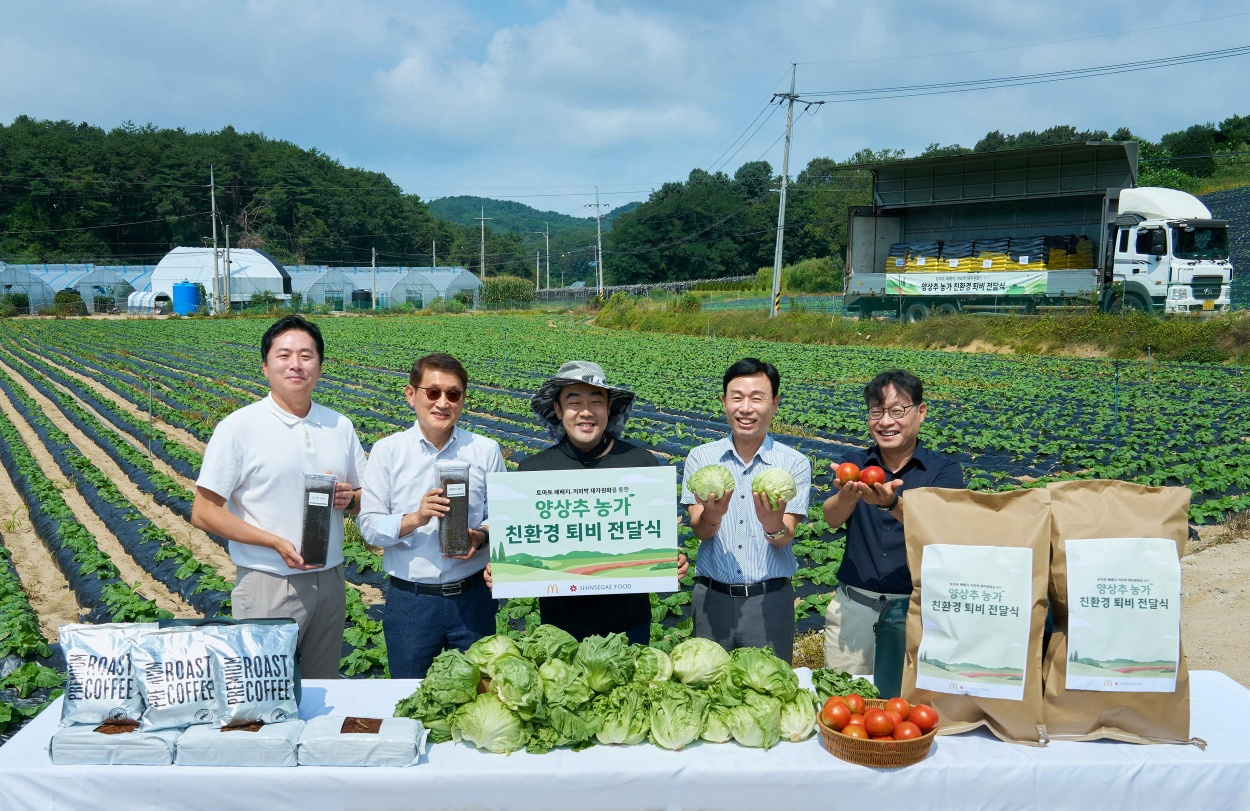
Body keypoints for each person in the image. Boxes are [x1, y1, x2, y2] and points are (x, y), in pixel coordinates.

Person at [191, 315, 366, 679]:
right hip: (268, 580)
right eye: (284, 355)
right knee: (264, 688)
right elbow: (204, 511)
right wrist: (273, 542)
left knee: (323, 686)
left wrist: (349, 499)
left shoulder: (339, 425)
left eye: (306, 355)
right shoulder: (240, 427)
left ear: (320, 367)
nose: (295, 364)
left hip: (331, 578)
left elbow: (365, 497)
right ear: (265, 367)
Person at [486, 360, 686, 644]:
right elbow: (522, 542)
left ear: (609, 409)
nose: (586, 412)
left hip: (630, 625)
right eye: (574, 402)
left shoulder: (641, 464)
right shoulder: (534, 471)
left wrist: (670, 562)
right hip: (559, 630)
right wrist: (504, 568)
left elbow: (652, 535)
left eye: (596, 402)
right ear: (558, 410)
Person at [357, 353, 504, 678]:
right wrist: (416, 518)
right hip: (412, 602)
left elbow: (503, 517)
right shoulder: (388, 452)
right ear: (411, 395)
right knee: (410, 693)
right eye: (433, 392)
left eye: (453, 394)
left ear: (463, 399)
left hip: (473, 598)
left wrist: (480, 536)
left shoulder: (485, 450)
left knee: (479, 693)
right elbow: (369, 525)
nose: (443, 403)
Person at [821, 369, 963, 674]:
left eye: (897, 411)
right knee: (844, 696)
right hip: (854, 612)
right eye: (877, 412)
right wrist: (847, 496)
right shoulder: (854, 464)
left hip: (916, 614)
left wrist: (892, 504)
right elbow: (831, 518)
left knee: (907, 701)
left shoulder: (943, 471)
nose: (885, 422)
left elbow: (941, 526)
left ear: (921, 412)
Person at [681, 358, 811, 662]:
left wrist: (772, 523)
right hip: (711, 599)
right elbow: (699, 530)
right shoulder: (700, 458)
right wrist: (712, 516)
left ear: (774, 403)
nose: (745, 408)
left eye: (757, 398)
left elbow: (785, 536)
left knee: (768, 685)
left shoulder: (794, 463)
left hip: (769, 602)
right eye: (737, 397)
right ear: (724, 402)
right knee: (707, 684)